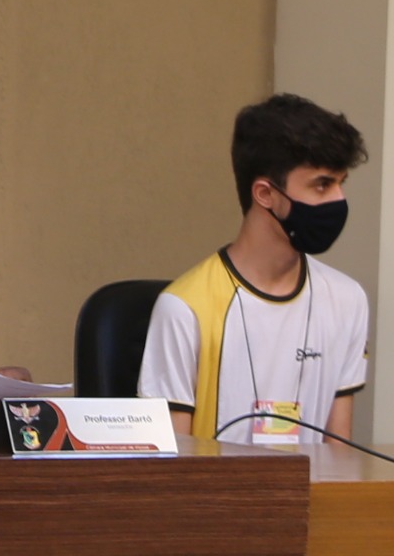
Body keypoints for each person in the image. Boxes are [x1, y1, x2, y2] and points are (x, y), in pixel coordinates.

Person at [141, 95, 373, 445]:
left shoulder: (347, 299)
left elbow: (338, 455)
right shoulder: (183, 309)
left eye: (342, 183)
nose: (338, 200)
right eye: (322, 185)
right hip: (216, 483)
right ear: (265, 194)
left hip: (313, 483)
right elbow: (172, 465)